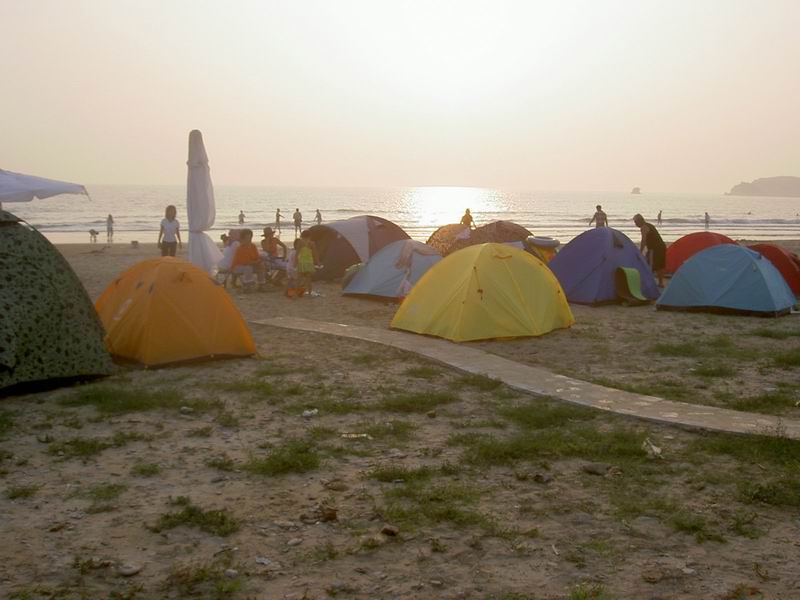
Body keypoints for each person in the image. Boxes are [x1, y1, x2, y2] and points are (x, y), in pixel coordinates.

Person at [634, 213, 666, 287]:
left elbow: (643, 241)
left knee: (650, 265)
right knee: (659, 265)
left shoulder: (643, 227)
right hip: (661, 246)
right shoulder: (649, 225)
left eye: (635, 222)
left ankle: (651, 283)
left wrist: (640, 251)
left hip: (655, 249)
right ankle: (660, 283)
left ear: (640, 221)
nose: (635, 224)